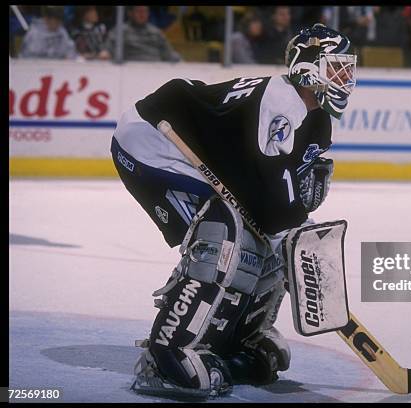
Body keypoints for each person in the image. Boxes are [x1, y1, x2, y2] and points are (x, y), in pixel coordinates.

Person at [110, 24, 357, 399]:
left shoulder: (317, 120)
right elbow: (271, 188)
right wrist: (291, 232)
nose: (346, 76)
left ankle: (235, 337)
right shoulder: (281, 99)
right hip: (150, 140)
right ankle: (167, 354)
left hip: (200, 154)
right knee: (222, 232)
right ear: (308, 65)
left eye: (348, 68)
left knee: (267, 243)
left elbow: (280, 193)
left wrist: (294, 236)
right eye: (336, 66)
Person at [99, 5, 180, 62]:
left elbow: (168, 54)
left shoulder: (156, 32)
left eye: (145, 11)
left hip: (156, 69)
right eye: (139, 11)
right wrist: (105, 53)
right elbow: (107, 50)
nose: (142, 14)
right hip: (128, 70)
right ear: (130, 13)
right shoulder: (120, 31)